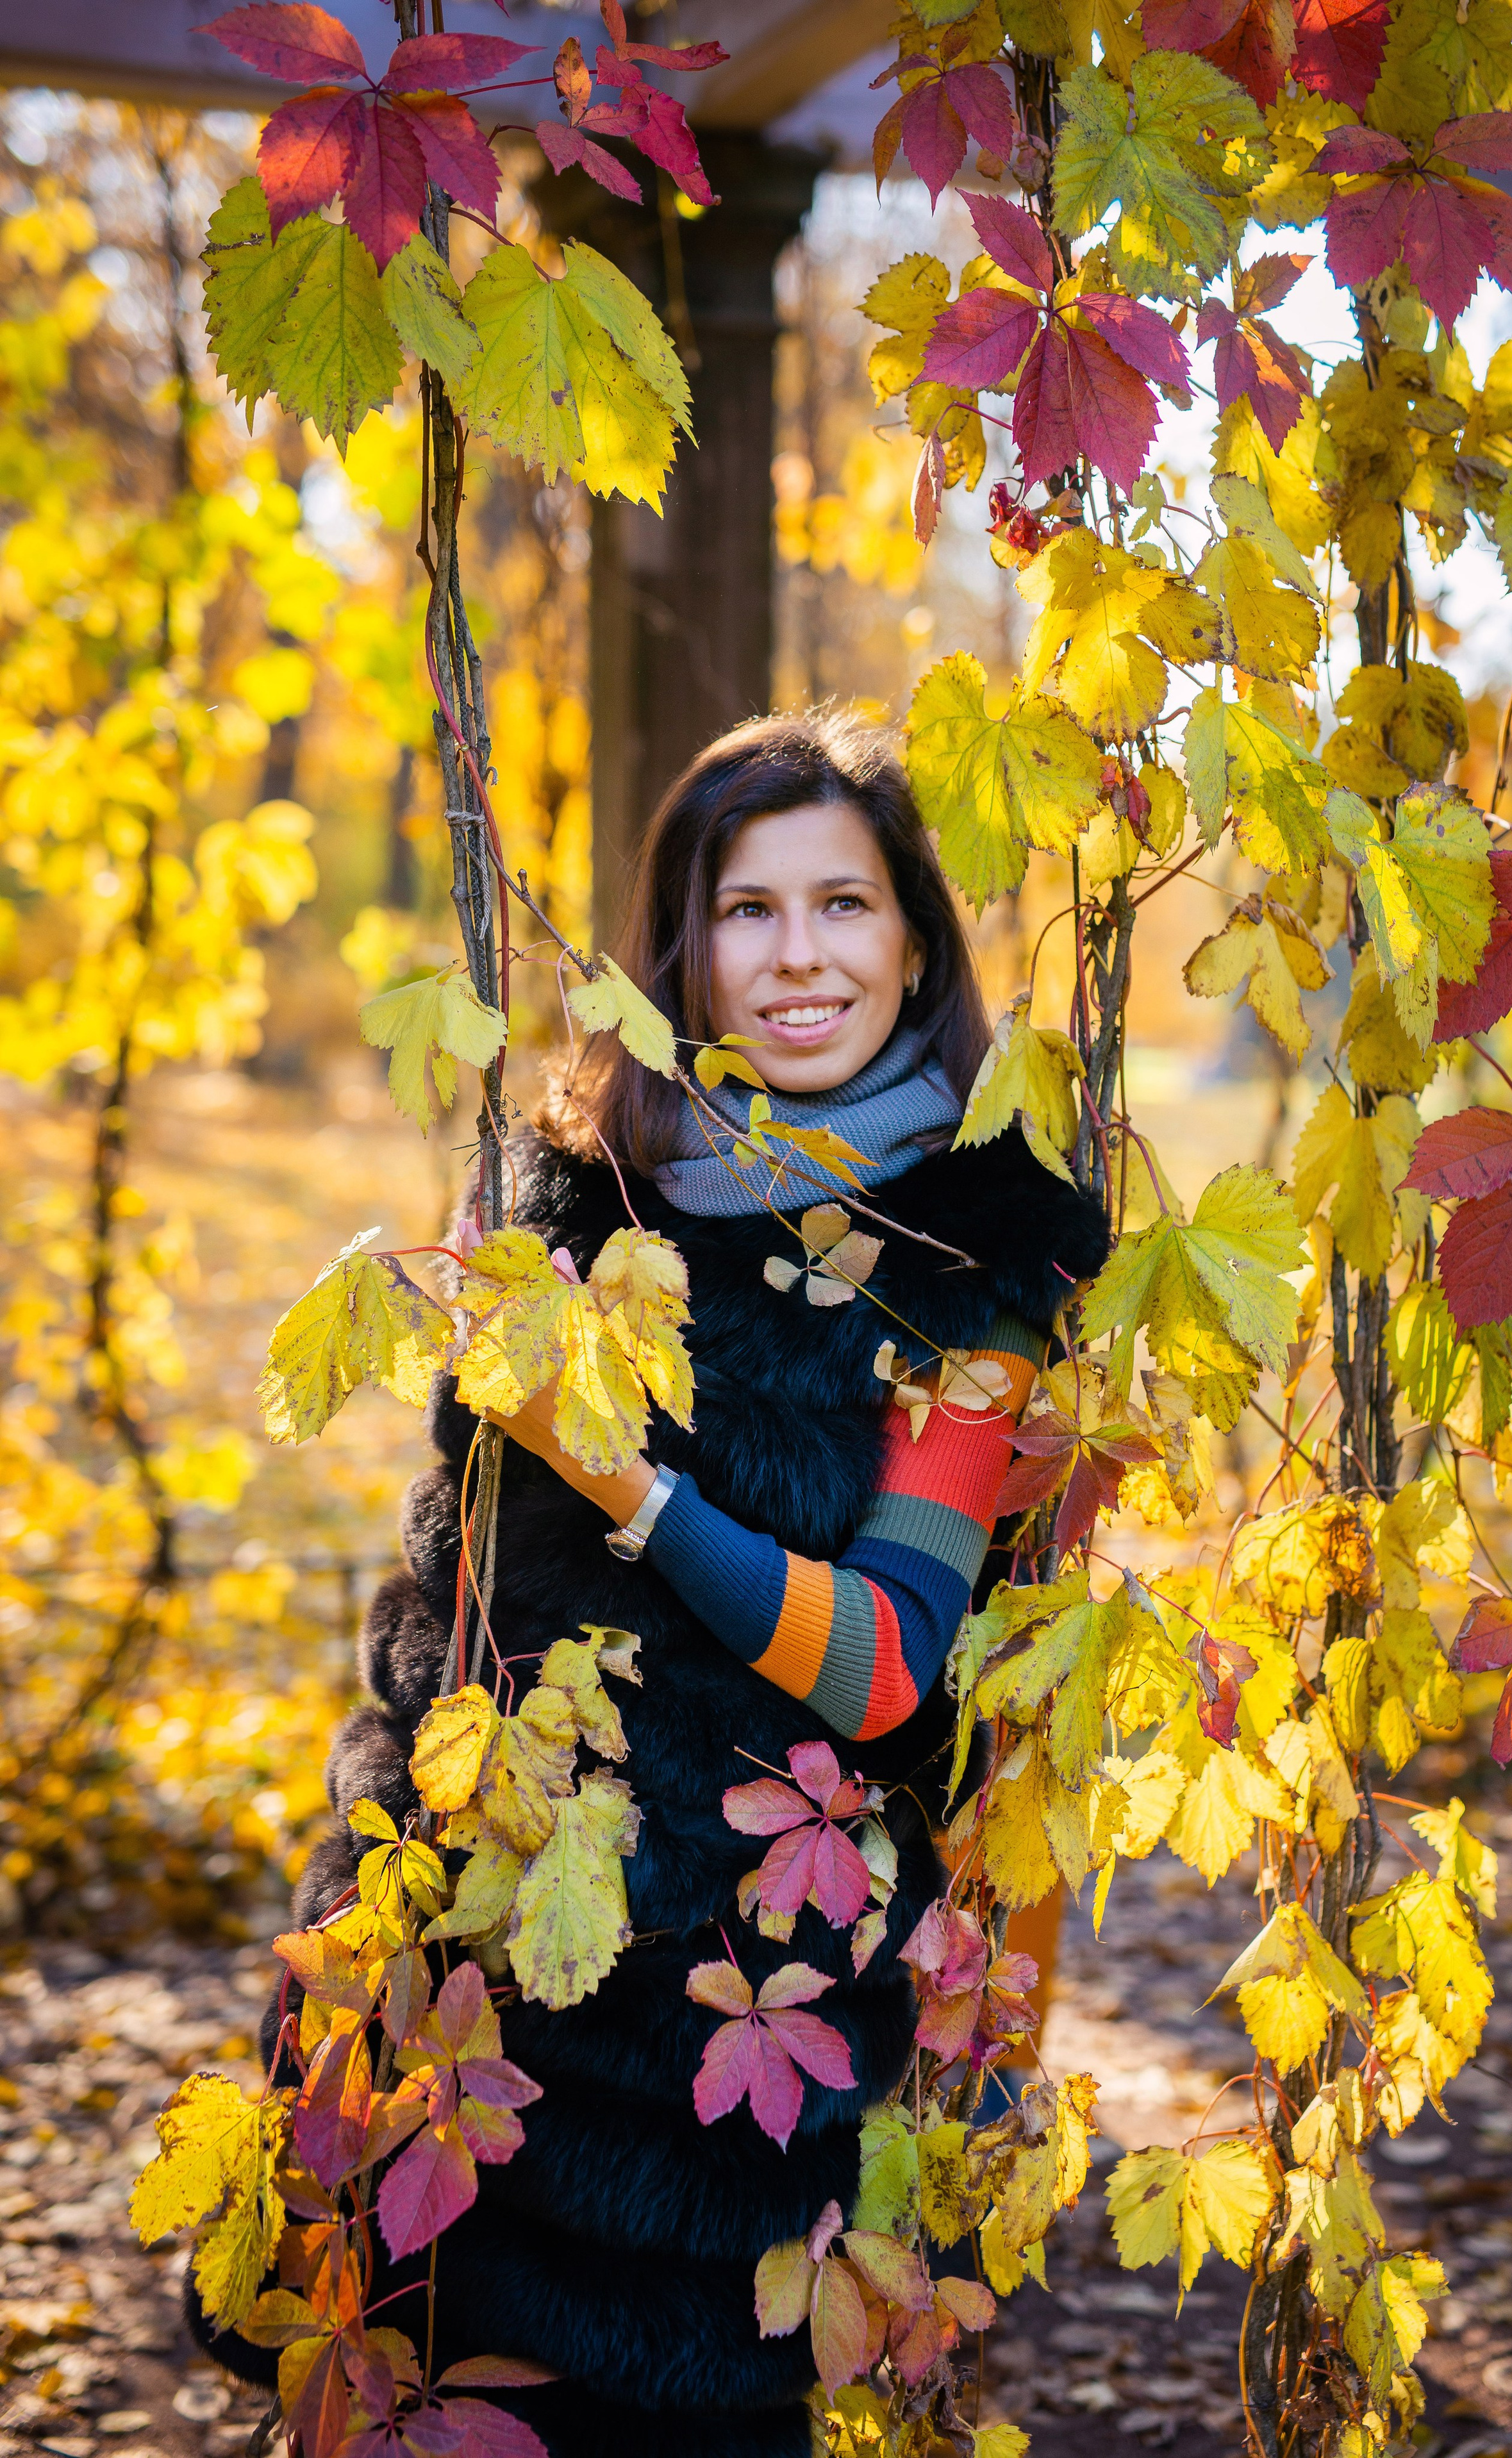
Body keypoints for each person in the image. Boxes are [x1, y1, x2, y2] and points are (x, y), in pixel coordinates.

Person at [204, 713, 1109, 2458]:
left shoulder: (982, 1249)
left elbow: (888, 1664)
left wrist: (621, 1475)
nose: (797, 957)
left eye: (842, 903)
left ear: (917, 935)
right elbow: (438, 1624)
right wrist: (361, 1928)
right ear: (678, 947)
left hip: (755, 2042)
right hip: (496, 2008)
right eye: (744, 908)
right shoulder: (570, 1198)